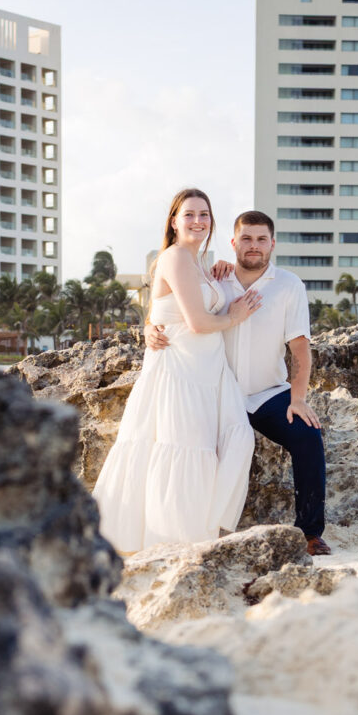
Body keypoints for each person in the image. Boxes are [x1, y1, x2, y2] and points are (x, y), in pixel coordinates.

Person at [146, 211, 331, 556]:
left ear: (272, 244)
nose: (254, 246)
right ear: (233, 243)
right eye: (246, 239)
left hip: (268, 394)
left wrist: (298, 398)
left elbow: (300, 348)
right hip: (218, 392)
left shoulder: (289, 285)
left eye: (261, 239)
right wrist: (149, 328)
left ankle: (310, 533)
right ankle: (202, 528)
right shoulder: (216, 279)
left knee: (308, 436)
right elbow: (174, 307)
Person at [91, 189, 263, 553]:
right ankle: (174, 540)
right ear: (174, 222)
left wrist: (221, 274)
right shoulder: (175, 257)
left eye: (204, 214)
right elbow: (198, 322)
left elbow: (162, 308)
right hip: (179, 370)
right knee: (183, 449)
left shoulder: (199, 263)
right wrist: (234, 316)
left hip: (207, 370)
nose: (198, 221)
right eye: (189, 214)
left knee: (233, 440)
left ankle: (201, 529)